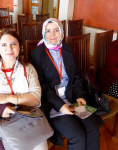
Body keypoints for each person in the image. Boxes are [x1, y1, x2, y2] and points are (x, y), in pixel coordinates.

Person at [0, 29, 48, 150]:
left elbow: (35, 99)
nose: (9, 48)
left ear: (19, 47)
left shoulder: (28, 68)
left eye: (13, 44)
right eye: (3, 45)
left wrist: (8, 98)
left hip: (27, 116)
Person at [30, 18, 100, 150]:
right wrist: (60, 105)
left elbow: (75, 75)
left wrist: (80, 95)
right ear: (43, 33)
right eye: (48, 31)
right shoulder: (37, 54)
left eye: (56, 30)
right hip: (53, 103)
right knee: (78, 136)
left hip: (72, 98)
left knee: (93, 129)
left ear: (62, 32)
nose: (52, 35)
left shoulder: (67, 49)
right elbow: (41, 86)